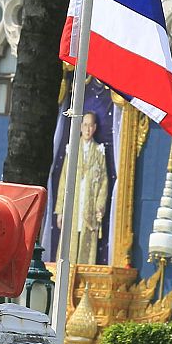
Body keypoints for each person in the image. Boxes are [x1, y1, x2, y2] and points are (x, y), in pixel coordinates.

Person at [54, 110, 109, 265]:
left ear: (95, 128)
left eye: (90, 126)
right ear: (80, 127)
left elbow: (104, 181)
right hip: (73, 206)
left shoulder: (99, 151)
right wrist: (60, 211)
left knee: (87, 244)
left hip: (89, 207)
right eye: (85, 125)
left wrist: (99, 207)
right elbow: (64, 180)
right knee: (68, 243)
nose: (87, 129)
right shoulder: (72, 149)